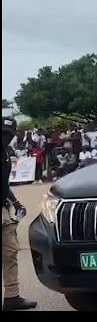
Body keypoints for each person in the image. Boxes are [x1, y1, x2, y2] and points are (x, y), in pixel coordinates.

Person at [2, 117, 38, 311]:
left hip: (4, 209)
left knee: (10, 253)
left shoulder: (7, 153)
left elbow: (3, 185)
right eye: (2, 133)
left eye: (8, 134)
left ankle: (11, 297)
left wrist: (16, 202)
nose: (5, 137)